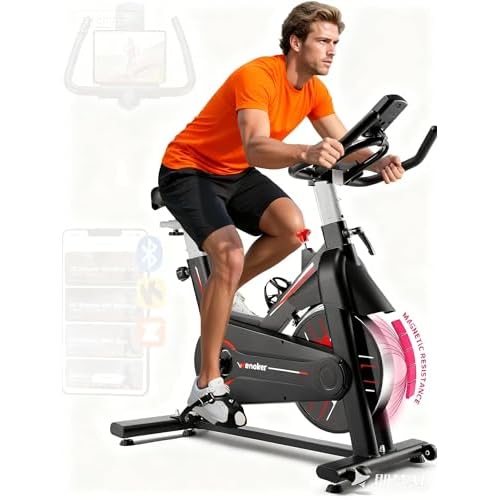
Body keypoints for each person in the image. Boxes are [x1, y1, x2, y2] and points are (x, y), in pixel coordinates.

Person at [158, 1, 405, 426]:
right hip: (188, 169)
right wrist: (306, 151)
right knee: (229, 255)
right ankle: (206, 384)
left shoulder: (313, 90)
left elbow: (343, 145)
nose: (332, 50)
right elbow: (256, 146)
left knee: (292, 229)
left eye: (335, 42)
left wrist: (378, 160)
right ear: (296, 42)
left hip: (234, 172)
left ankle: (224, 290)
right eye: (323, 41)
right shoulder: (257, 76)